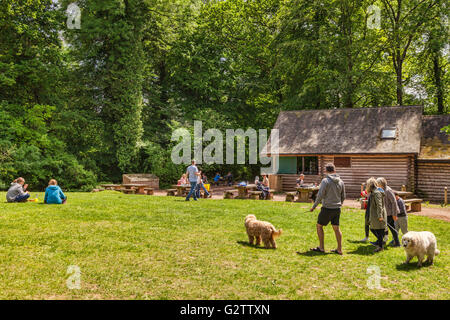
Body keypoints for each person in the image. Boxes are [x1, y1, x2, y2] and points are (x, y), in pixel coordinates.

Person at [309, 163, 345, 255]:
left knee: (319, 226)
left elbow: (320, 195)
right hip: (337, 208)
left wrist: (314, 206)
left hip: (327, 208)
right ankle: (339, 249)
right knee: (336, 228)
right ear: (334, 170)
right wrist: (339, 204)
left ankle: (321, 247)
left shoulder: (325, 181)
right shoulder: (341, 181)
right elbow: (343, 196)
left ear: (326, 171)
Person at [376, 177, 400, 247]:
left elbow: (394, 202)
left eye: (377, 183)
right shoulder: (381, 189)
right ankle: (383, 241)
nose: (376, 185)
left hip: (390, 213)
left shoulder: (388, 190)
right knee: (385, 227)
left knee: (391, 228)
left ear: (381, 184)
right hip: (385, 212)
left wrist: (394, 214)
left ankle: (397, 243)